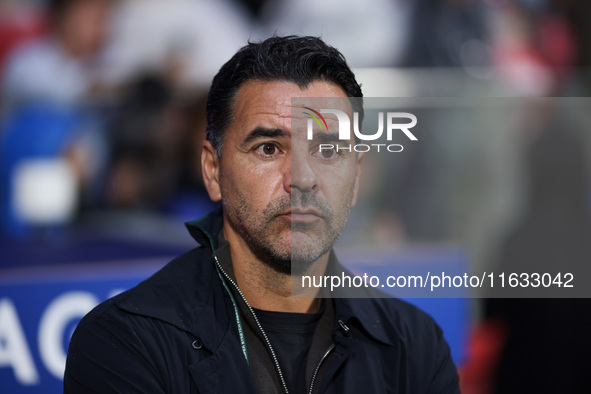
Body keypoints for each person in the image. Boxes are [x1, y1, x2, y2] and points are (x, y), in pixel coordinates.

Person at [64, 36, 460, 393]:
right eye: (269, 148)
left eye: (327, 151)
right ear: (213, 170)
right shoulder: (125, 342)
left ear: (355, 179)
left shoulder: (414, 344)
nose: (302, 179)